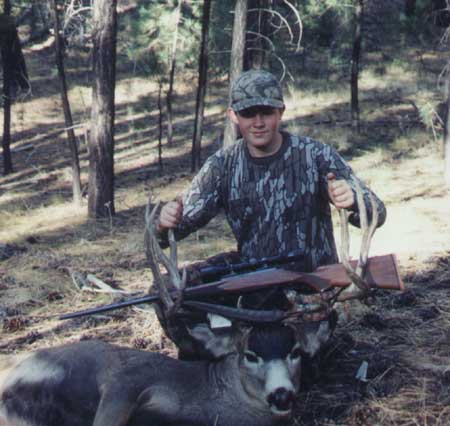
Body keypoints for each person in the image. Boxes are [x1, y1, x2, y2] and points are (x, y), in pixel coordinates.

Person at [154, 69, 386, 360]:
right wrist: (164, 222)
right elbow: (173, 229)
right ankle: (213, 364)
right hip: (251, 279)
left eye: (267, 112)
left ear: (281, 112)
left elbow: (378, 210)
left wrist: (354, 200)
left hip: (309, 285)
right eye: (249, 113)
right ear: (233, 116)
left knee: (297, 364)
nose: (259, 122)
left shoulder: (314, 155)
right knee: (168, 290)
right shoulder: (223, 165)